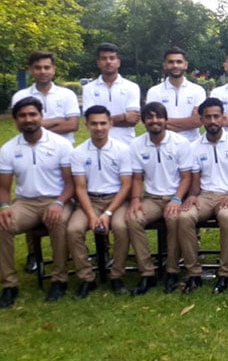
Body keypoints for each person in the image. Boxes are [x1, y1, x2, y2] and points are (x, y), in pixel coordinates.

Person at [0, 98, 74, 308]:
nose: (28, 119)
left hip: (58, 198)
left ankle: (59, 279)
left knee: (57, 222)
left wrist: (59, 203)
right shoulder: (8, 149)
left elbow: (70, 184)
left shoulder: (60, 144)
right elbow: (4, 188)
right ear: (16, 120)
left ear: (41, 116)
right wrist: (4, 207)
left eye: (33, 114)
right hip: (26, 202)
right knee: (2, 225)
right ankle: (9, 284)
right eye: (22, 116)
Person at [12, 51, 80, 273]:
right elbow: (24, 125)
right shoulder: (21, 95)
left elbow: (73, 125)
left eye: (47, 67)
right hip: (32, 150)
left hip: (62, 154)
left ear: (54, 69)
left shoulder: (66, 94)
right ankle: (34, 254)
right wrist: (57, 120)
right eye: (38, 67)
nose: (43, 71)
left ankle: (64, 256)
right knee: (31, 191)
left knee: (60, 201)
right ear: (31, 70)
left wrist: (41, 127)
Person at [178, 98, 228, 294]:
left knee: (227, 217)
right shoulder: (194, 146)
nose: (213, 121)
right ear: (201, 119)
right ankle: (194, 273)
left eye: (216, 116)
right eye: (208, 117)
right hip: (205, 195)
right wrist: (192, 196)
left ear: (223, 118)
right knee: (184, 217)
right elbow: (195, 179)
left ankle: (224, 273)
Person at [126, 102, 193, 295]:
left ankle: (172, 270)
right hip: (152, 198)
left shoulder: (180, 143)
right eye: (150, 117)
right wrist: (136, 199)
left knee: (174, 219)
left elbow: (186, 177)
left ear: (166, 120)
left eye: (158, 117)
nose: (154, 121)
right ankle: (148, 272)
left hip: (175, 196)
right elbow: (137, 178)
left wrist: (177, 199)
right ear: (144, 121)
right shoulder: (137, 145)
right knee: (133, 219)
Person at [66, 105, 132, 297]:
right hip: (90, 200)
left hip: (117, 201)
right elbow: (80, 188)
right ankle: (87, 278)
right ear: (86, 125)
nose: (99, 128)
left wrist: (108, 213)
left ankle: (116, 275)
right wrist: (91, 216)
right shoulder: (78, 152)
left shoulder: (123, 150)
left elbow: (126, 185)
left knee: (121, 226)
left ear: (110, 124)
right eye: (94, 123)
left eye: (103, 123)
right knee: (73, 230)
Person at [81, 43, 141, 145]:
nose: (108, 62)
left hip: (127, 145)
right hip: (99, 145)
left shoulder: (132, 87)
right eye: (104, 58)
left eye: (112, 58)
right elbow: (91, 120)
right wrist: (123, 116)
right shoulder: (88, 89)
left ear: (118, 62)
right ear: (98, 63)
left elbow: (133, 120)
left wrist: (100, 121)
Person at [146, 47, 206, 142]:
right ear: (165, 65)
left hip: (191, 145)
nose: (175, 65)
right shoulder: (154, 92)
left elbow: (198, 121)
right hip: (164, 145)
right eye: (171, 62)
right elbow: (154, 122)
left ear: (185, 65)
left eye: (179, 62)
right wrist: (189, 122)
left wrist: (165, 122)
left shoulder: (198, 90)